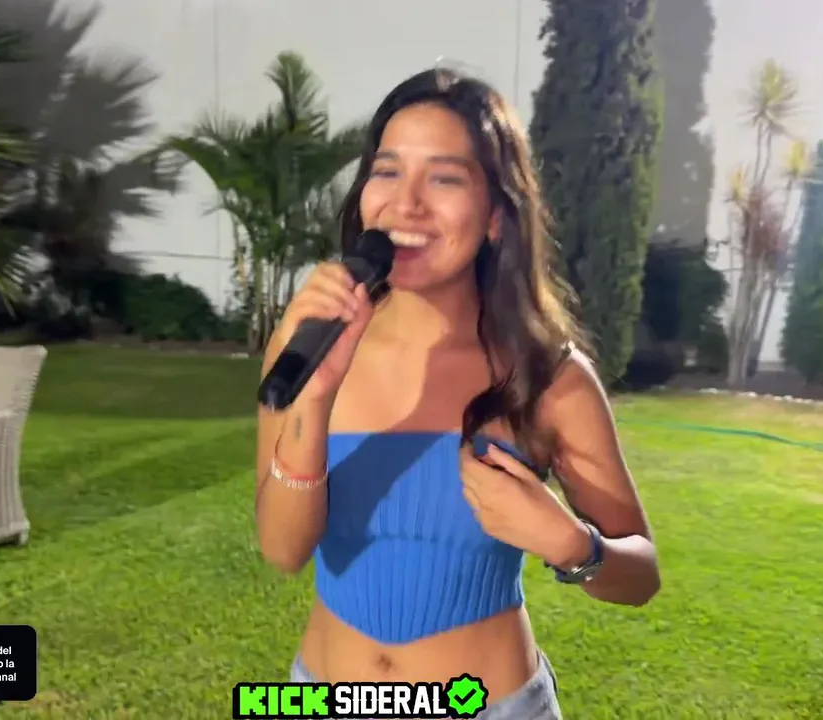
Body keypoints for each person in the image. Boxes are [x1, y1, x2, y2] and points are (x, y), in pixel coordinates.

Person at [253, 67, 660, 719]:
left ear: (497, 214)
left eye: (444, 178)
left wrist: (570, 543)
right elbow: (282, 550)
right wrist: (315, 398)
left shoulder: (550, 378)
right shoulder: (307, 343)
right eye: (387, 171)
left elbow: (641, 576)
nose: (405, 203)